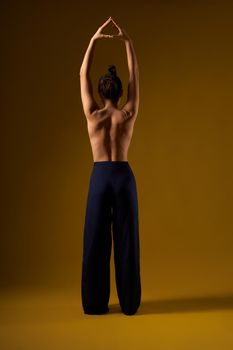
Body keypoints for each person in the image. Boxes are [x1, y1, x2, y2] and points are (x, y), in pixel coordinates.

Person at [79, 16, 141, 316]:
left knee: (95, 239)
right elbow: (135, 78)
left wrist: (93, 40)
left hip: (100, 178)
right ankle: (129, 303)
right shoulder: (127, 114)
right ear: (119, 93)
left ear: (102, 93)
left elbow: (82, 74)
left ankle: (94, 303)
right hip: (123, 177)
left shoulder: (93, 116)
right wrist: (127, 42)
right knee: (127, 238)